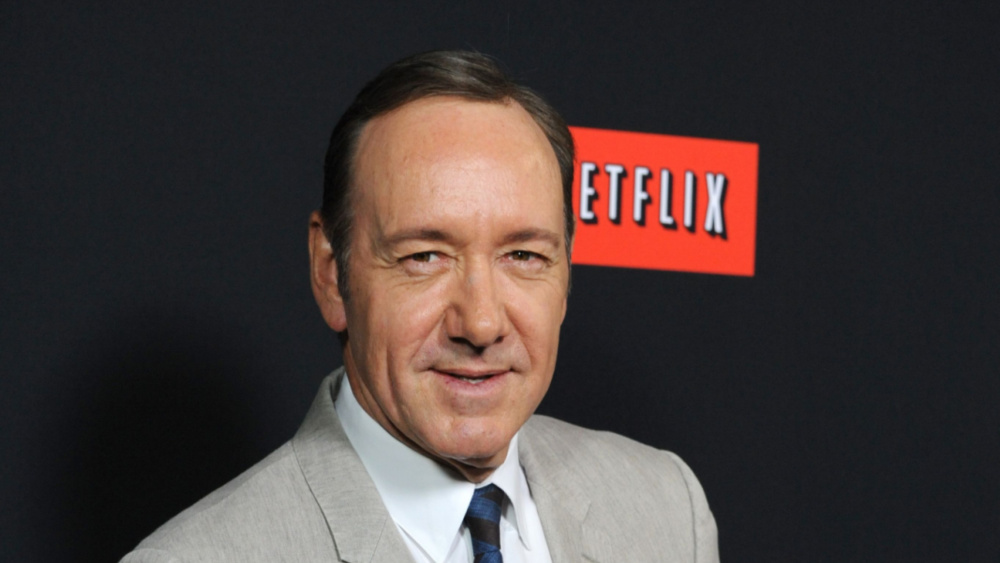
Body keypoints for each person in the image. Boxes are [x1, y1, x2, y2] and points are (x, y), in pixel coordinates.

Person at [121, 50, 719, 563]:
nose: (481, 323)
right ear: (331, 274)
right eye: (425, 257)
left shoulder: (665, 507)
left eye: (523, 255)